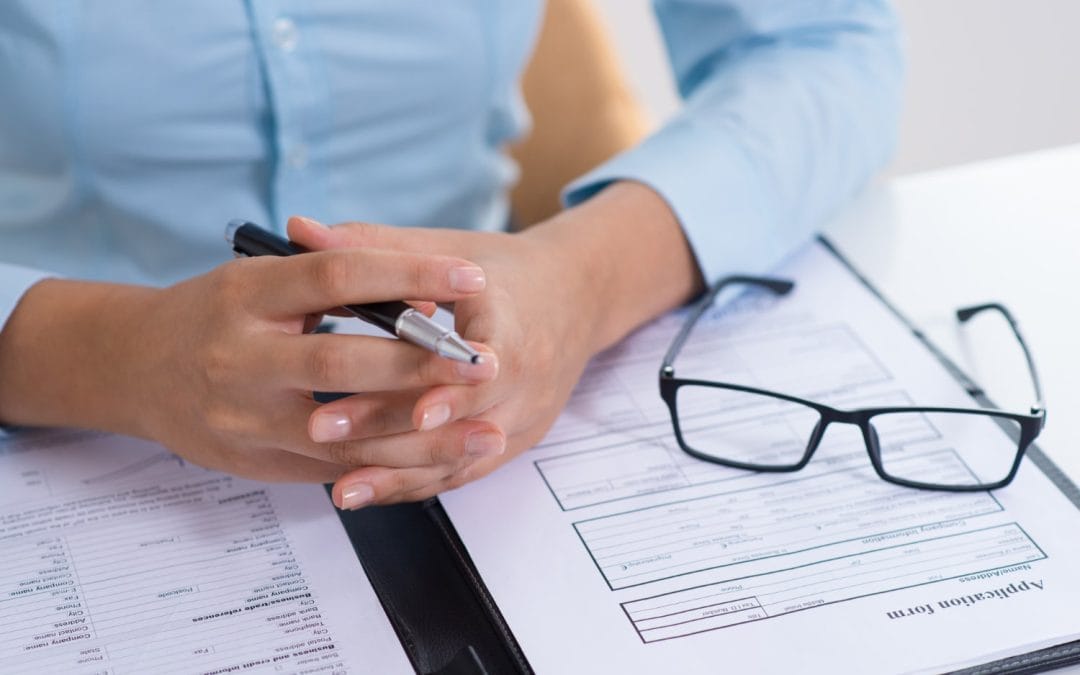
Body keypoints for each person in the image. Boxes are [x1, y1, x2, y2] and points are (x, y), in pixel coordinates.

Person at [0, 1, 902, 510]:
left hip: (488, 414)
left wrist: (580, 281)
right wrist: (115, 352)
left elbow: (822, 48)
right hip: (67, 434)